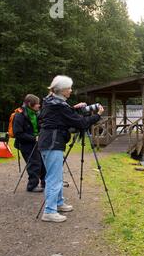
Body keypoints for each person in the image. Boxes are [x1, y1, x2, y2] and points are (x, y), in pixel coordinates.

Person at [38, 75, 104, 223]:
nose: (71, 90)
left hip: (49, 142)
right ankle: (49, 211)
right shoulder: (59, 106)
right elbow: (80, 123)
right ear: (62, 91)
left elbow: (60, 116)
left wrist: (73, 109)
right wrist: (97, 116)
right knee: (54, 178)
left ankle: (58, 203)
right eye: (69, 88)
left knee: (58, 175)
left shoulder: (50, 101)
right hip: (52, 143)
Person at [13, 94, 46, 192]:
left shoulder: (36, 113)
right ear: (29, 104)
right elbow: (17, 133)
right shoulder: (19, 115)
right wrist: (33, 138)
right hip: (26, 144)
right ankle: (32, 186)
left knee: (43, 163)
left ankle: (46, 183)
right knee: (34, 164)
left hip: (38, 142)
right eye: (36, 104)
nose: (39, 105)